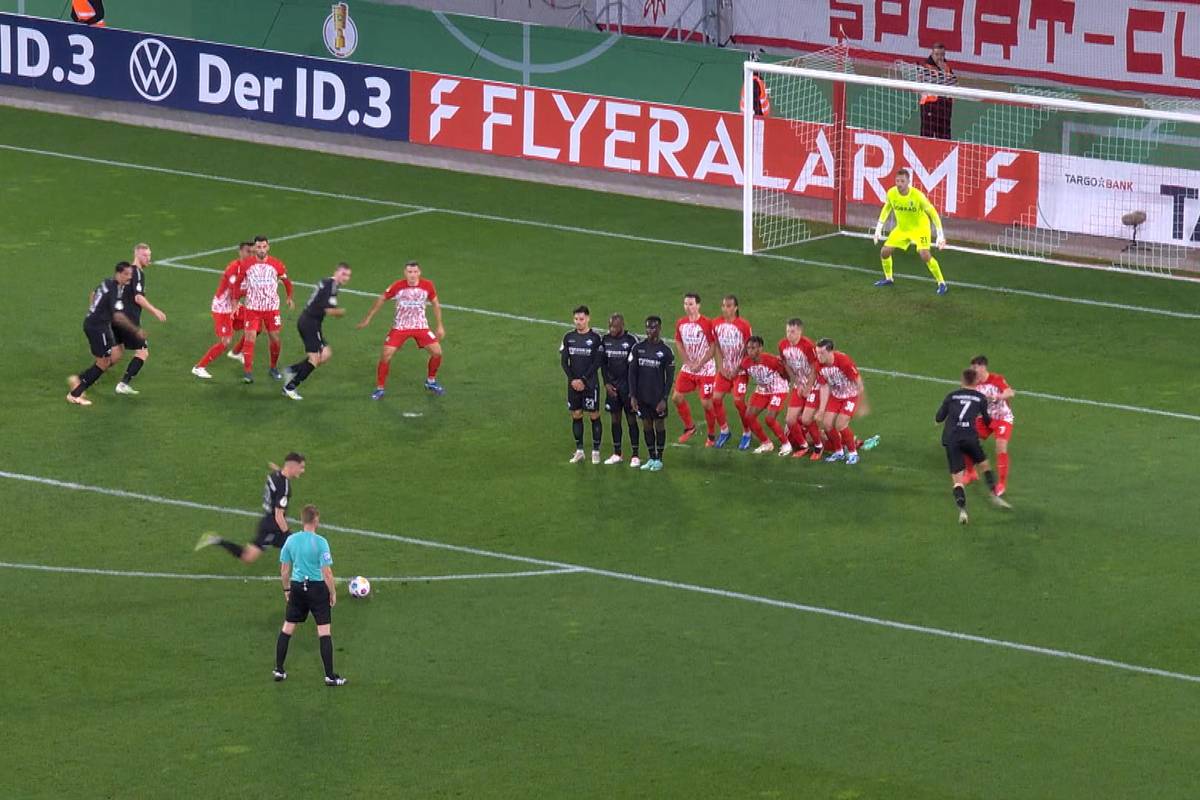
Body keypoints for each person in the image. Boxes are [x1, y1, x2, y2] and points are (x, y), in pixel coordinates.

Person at [273, 504, 346, 686]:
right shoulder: (321, 542)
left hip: (297, 587)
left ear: (302, 520)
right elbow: (327, 573)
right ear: (315, 520)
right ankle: (329, 676)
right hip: (317, 589)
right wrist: (333, 592)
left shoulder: (291, 541)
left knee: (287, 628)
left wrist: (287, 589)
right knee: (324, 632)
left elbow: (284, 570)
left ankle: (279, 670)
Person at [357, 261, 446, 398]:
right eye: (410, 272)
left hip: (420, 326)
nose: (412, 275)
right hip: (400, 327)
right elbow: (382, 299)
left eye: (415, 272)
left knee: (437, 352)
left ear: (419, 272)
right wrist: (368, 318)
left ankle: (431, 381)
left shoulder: (427, 285)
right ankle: (380, 388)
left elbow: (435, 303)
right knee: (386, 354)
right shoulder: (397, 286)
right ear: (405, 273)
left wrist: (439, 325)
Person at [196, 453, 306, 564]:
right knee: (248, 557)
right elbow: (279, 515)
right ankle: (215, 540)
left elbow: (281, 473)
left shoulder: (275, 475)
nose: (302, 471)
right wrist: (287, 533)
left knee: (298, 548)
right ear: (293, 466)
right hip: (272, 528)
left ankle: (313, 571)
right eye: (301, 467)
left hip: (269, 522)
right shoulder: (284, 489)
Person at [936, 370, 1011, 524]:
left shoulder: (951, 396)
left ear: (961, 380)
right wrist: (1000, 425)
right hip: (970, 437)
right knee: (984, 465)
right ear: (976, 382)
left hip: (952, 439)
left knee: (957, 481)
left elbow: (939, 418)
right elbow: (987, 421)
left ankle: (962, 511)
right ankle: (994, 495)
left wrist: (941, 421)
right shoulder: (980, 397)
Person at [67, 262, 138, 406]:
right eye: (126, 274)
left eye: (131, 274)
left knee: (110, 358)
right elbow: (118, 316)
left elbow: (93, 294)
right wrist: (135, 330)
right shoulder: (115, 289)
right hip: (98, 328)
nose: (129, 277)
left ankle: (79, 380)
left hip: (94, 323)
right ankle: (75, 394)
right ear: (118, 273)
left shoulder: (106, 282)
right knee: (103, 362)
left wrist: (94, 310)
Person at [873, 168, 949, 295]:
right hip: (902, 229)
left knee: (924, 254)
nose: (899, 184)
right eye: (897, 181)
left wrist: (940, 235)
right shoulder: (891, 193)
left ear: (908, 182)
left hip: (920, 229)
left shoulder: (918, 196)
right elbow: (887, 209)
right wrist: (878, 228)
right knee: (884, 252)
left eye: (902, 181)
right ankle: (889, 278)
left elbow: (933, 213)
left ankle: (942, 283)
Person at [282, 263, 352, 400]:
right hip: (310, 324)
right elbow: (329, 309)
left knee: (325, 354)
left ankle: (292, 369)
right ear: (336, 272)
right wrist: (340, 312)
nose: (346, 277)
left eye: (348, 275)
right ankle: (290, 387)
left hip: (311, 322)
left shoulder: (329, 283)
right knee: (315, 359)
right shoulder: (330, 286)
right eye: (343, 274)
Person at [113, 243, 167, 396]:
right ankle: (123, 384)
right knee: (143, 352)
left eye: (149, 255)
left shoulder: (126, 272)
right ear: (136, 255)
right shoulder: (137, 273)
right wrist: (155, 311)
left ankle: (92, 373)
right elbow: (138, 297)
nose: (148, 258)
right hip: (129, 320)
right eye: (145, 255)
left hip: (117, 317)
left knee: (117, 353)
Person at [239, 235, 294, 383]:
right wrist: (235, 302)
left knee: (275, 339)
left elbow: (287, 281)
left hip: (271, 308)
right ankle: (248, 372)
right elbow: (238, 284)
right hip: (252, 308)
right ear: (254, 248)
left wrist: (289, 297)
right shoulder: (246, 265)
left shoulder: (277, 264)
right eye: (258, 247)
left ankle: (273, 367)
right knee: (250, 337)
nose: (261, 249)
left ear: (268, 247)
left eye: (264, 247)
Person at [192, 243, 251, 379]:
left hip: (234, 305)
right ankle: (199, 367)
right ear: (240, 252)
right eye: (248, 251)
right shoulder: (233, 268)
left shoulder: (250, 268)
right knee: (225, 340)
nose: (251, 254)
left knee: (255, 326)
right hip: (223, 307)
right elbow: (234, 290)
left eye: (252, 252)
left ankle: (236, 353)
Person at [558, 306, 604, 464]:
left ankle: (596, 451)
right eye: (576, 319)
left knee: (593, 415)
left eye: (581, 319)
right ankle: (579, 451)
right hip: (573, 385)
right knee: (576, 414)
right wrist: (573, 380)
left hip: (590, 385)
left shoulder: (596, 338)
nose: (579, 322)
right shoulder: (568, 337)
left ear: (588, 318)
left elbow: (597, 362)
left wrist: (583, 380)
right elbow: (564, 361)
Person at [627, 316, 674, 472]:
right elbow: (632, 373)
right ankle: (651, 456)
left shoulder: (666, 351)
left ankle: (659, 458)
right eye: (647, 327)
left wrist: (664, 399)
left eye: (653, 327)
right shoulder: (638, 348)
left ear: (659, 329)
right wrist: (633, 396)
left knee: (659, 425)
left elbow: (669, 379)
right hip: (642, 396)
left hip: (658, 397)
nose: (649, 330)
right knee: (646, 425)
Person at [671, 293, 718, 447]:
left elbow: (713, 347)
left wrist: (700, 362)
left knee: (706, 404)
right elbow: (678, 342)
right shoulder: (681, 323)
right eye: (685, 304)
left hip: (706, 369)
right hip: (689, 368)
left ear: (698, 305)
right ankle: (689, 427)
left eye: (691, 304)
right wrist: (687, 361)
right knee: (676, 397)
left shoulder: (707, 323)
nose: (688, 307)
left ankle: (711, 436)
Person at [965, 355, 1015, 496]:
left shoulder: (996, 379)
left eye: (974, 367)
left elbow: (1010, 392)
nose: (972, 370)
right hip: (986, 418)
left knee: (1000, 446)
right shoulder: (975, 383)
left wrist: (998, 397)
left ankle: (1001, 484)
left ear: (982, 367)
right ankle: (970, 473)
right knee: (968, 440)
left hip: (1002, 418)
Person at [711, 294, 753, 449]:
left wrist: (738, 367)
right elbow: (717, 346)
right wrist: (721, 367)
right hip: (725, 370)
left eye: (729, 306)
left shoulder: (743, 325)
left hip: (740, 370)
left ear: (736, 308)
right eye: (723, 306)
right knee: (715, 398)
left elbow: (749, 349)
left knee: (738, 401)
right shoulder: (716, 323)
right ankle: (724, 430)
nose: (725, 309)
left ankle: (747, 432)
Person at [778, 318, 822, 459]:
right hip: (799, 385)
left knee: (806, 419)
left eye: (793, 332)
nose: (789, 335)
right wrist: (797, 382)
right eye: (787, 331)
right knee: (790, 420)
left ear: (800, 332)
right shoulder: (783, 345)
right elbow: (786, 364)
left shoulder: (808, 346)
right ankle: (803, 446)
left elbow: (815, 367)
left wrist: (808, 386)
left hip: (814, 385)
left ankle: (818, 446)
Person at [815, 339, 864, 465]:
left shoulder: (843, 361)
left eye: (822, 353)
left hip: (850, 396)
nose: (819, 356)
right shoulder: (819, 365)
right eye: (817, 353)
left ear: (830, 352)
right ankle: (839, 452)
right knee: (826, 424)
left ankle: (853, 454)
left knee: (841, 424)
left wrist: (861, 402)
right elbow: (824, 387)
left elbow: (858, 381)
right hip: (836, 396)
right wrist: (821, 410)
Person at [600, 313, 641, 467]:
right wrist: (606, 384)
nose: (611, 329)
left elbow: (636, 368)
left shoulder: (632, 341)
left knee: (631, 419)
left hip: (628, 388)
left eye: (614, 327)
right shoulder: (605, 340)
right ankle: (617, 453)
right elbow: (603, 364)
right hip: (612, 387)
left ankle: (635, 455)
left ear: (622, 326)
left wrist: (634, 391)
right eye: (610, 326)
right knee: (615, 419)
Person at [739, 336, 790, 454]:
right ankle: (766, 443)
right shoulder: (746, 362)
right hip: (762, 390)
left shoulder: (771, 360)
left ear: (760, 348)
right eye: (748, 348)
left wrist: (786, 383)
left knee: (770, 419)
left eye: (753, 348)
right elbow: (739, 370)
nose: (750, 351)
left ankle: (786, 444)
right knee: (748, 416)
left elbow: (785, 374)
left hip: (778, 388)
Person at [919, 43, 956, 140]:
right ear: (932, 54)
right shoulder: (925, 67)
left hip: (945, 106)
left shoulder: (947, 67)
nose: (940, 57)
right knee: (927, 137)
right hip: (930, 105)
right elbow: (931, 81)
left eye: (942, 55)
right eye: (937, 54)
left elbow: (954, 81)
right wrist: (943, 74)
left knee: (944, 138)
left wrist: (944, 71)